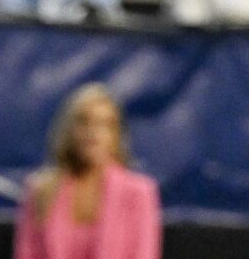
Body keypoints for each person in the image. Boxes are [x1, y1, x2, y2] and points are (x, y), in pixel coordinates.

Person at [14, 84, 161, 259]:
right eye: (84, 121)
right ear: (68, 130)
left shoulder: (139, 192)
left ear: (116, 135)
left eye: (105, 124)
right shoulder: (40, 190)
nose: (93, 132)